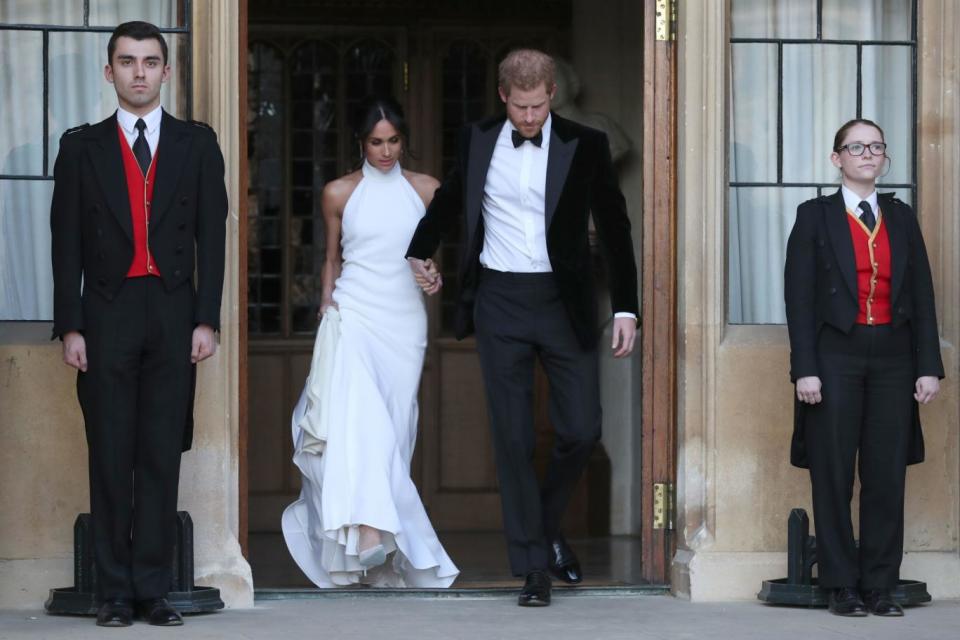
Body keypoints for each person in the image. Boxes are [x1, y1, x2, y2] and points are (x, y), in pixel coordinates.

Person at [405, 49, 638, 606]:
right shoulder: (478, 137)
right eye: (521, 107)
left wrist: (627, 307)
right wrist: (419, 251)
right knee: (511, 437)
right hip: (501, 299)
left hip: (563, 301)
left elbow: (614, 225)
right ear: (503, 96)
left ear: (551, 93)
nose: (530, 117)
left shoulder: (587, 143)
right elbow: (451, 201)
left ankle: (545, 524)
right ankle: (533, 569)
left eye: (539, 106)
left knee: (582, 429)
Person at [50, 21, 227, 627]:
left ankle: (153, 590)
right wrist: (70, 326)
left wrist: (207, 319)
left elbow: (214, 237)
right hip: (106, 312)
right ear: (109, 72)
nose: (139, 72)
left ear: (166, 71)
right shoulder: (81, 147)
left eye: (150, 61)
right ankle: (113, 592)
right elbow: (64, 244)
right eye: (127, 62)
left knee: (159, 453)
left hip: (174, 312)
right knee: (109, 452)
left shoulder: (197, 145)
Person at [281, 97, 458, 588]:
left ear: (405, 140)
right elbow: (332, 258)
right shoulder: (338, 192)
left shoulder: (427, 191)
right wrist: (325, 303)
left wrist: (432, 275)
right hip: (353, 313)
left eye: (394, 141)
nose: (385, 150)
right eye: (376, 142)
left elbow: (425, 259)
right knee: (364, 424)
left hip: (403, 321)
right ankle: (367, 529)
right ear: (361, 143)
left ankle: (385, 556)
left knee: (396, 431)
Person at [784, 119, 942, 618]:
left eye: (876, 147)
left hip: (894, 357)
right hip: (835, 357)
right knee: (832, 472)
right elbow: (799, 298)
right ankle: (840, 584)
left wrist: (928, 366)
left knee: (885, 472)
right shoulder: (814, 216)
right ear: (838, 159)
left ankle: (879, 583)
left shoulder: (900, 215)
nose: (868, 155)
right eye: (857, 147)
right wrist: (804, 368)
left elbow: (921, 293)